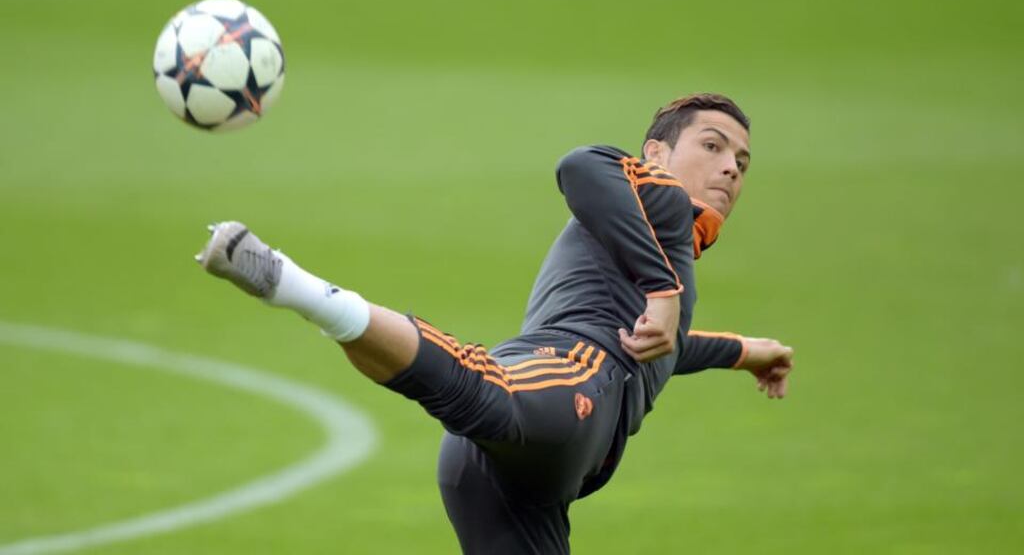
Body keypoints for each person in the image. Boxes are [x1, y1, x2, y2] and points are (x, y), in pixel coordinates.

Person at [195, 92, 794, 554]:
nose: (732, 169)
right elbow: (581, 166)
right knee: (485, 391)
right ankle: (295, 285)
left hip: (520, 478)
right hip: (563, 383)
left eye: (742, 161)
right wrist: (664, 290)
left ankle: (308, 295)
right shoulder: (655, 196)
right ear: (656, 155)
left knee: (483, 398)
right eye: (712, 147)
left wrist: (744, 351)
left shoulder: (672, 249)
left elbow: (663, 349)